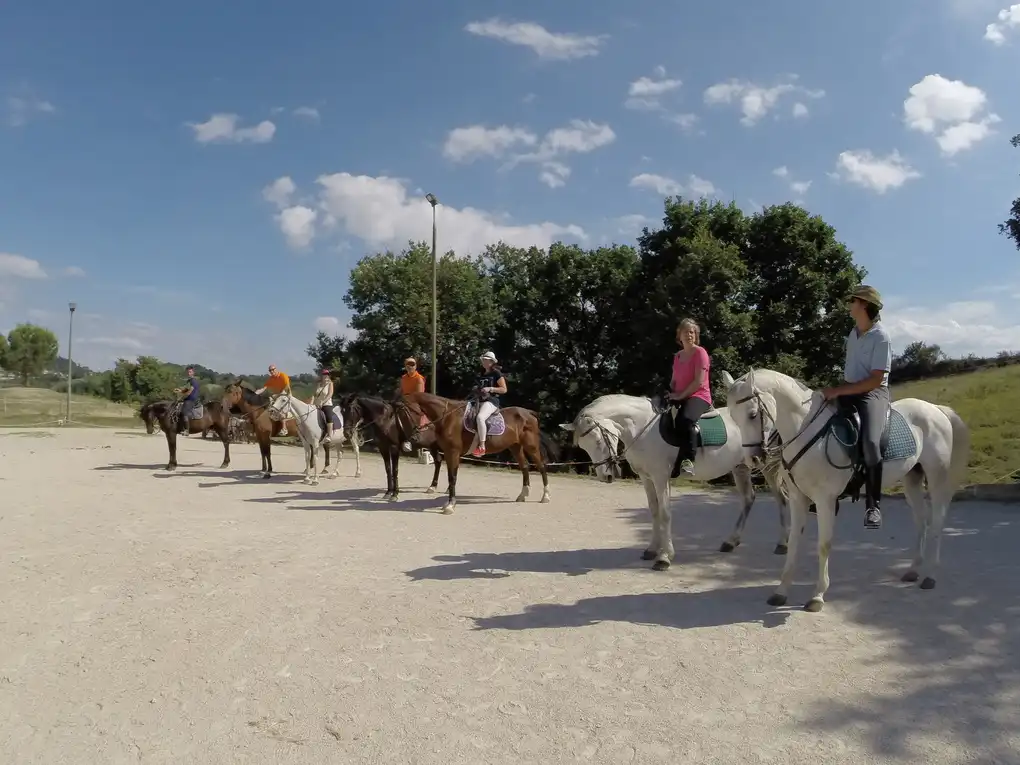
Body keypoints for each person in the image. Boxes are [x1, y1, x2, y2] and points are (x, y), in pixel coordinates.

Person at [822, 285, 892, 530]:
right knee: (820, 426)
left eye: (852, 301)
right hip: (849, 389)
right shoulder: (853, 333)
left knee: (871, 442)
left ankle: (873, 506)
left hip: (873, 393)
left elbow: (875, 379)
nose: (849, 305)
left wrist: (839, 391)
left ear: (863, 305)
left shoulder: (881, 337)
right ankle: (830, 492)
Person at [668, 318, 712, 478]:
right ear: (679, 335)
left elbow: (698, 381)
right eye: (685, 332)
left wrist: (679, 396)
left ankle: (688, 460)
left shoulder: (700, 353)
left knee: (685, 419)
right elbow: (674, 380)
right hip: (681, 396)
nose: (689, 335)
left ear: (696, 335)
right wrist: (668, 393)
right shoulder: (678, 356)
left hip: (699, 396)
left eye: (692, 332)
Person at [471, 350, 507, 458]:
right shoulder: (481, 373)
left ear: (491, 362)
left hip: (491, 401)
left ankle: (482, 446)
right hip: (478, 400)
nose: (483, 362)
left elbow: (504, 389)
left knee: (480, 417)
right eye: (483, 360)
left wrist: (490, 388)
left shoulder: (496, 373)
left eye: (485, 360)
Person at [396, 357, 426, 452]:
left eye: (412, 364)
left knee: (406, 414)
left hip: (416, 403)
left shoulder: (419, 379)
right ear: (405, 366)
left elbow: (419, 395)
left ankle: (409, 439)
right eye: (408, 364)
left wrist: (406, 400)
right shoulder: (403, 378)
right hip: (404, 402)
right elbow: (401, 390)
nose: (410, 366)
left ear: (416, 366)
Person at [255, 364, 293, 436]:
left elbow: (287, 387)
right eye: (270, 370)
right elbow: (264, 388)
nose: (271, 371)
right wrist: (255, 393)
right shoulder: (271, 379)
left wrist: (278, 395)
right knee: (267, 404)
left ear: (276, 369)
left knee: (279, 408)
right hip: (277, 395)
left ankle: (284, 428)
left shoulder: (283, 375)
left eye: (273, 369)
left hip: (285, 394)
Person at [173, 367, 201, 435]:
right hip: (188, 399)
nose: (189, 373)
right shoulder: (189, 381)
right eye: (188, 372)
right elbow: (186, 390)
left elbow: (189, 392)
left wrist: (181, 397)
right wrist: (180, 390)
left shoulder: (193, 381)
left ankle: (186, 430)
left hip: (191, 399)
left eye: (190, 372)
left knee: (184, 412)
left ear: (193, 373)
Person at [313, 369, 335, 444]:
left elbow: (330, 394)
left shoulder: (330, 384)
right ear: (321, 375)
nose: (325, 376)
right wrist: (312, 403)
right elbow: (315, 395)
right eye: (324, 374)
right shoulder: (318, 384)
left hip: (326, 404)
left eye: (327, 374)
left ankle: (329, 435)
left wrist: (323, 402)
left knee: (328, 417)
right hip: (317, 405)